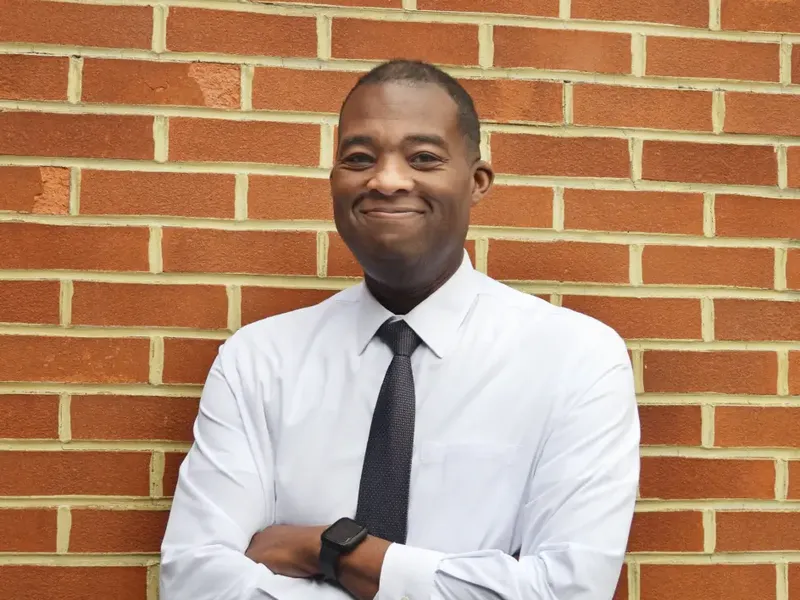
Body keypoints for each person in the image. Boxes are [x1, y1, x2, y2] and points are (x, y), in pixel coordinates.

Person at [159, 59, 640, 600]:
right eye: (359, 158)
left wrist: (329, 550)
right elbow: (195, 581)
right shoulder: (258, 360)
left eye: (424, 158)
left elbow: (566, 591)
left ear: (476, 181)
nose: (387, 180)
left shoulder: (576, 359)